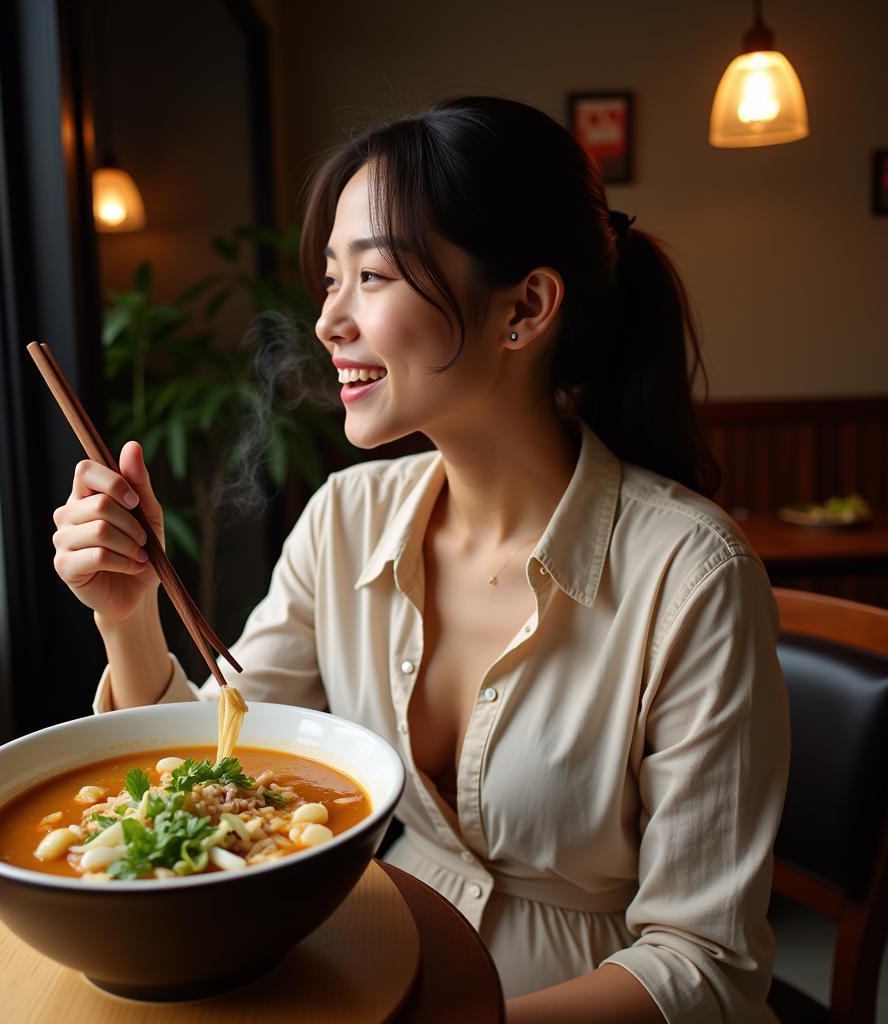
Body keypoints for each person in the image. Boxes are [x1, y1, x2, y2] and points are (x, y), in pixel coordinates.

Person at [51, 96, 789, 1022]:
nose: (328, 321)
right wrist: (126, 616)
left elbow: (706, 964)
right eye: (330, 280)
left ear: (523, 308)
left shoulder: (695, 576)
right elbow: (216, 772)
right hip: (380, 971)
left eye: (374, 276)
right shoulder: (345, 520)